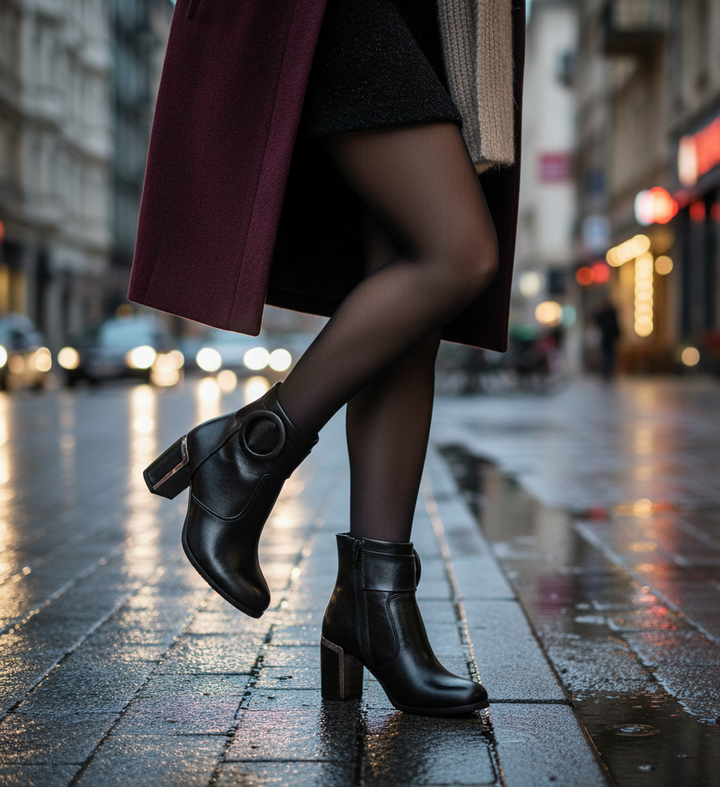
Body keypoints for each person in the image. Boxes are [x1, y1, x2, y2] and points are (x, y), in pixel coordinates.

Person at [131, 0, 524, 716]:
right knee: (457, 250)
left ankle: (373, 609)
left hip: (437, 17)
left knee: (407, 288)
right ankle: (245, 454)